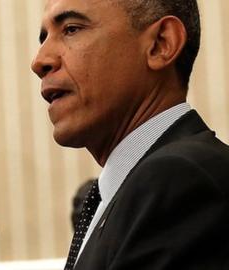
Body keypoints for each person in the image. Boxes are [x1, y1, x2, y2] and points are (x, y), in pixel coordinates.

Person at [31, 0, 229, 269]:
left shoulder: (178, 179)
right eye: (44, 37)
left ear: (161, 44)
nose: (39, 61)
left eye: (71, 29)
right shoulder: (114, 196)